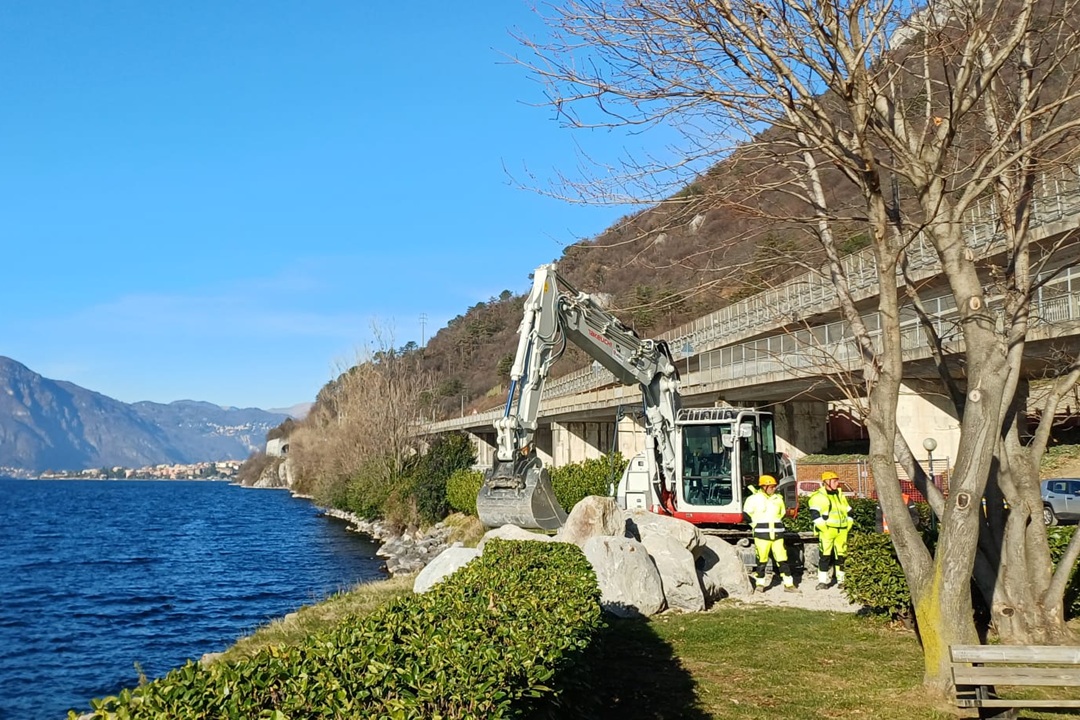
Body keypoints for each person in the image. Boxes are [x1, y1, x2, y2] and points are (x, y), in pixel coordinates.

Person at [742, 474, 797, 593]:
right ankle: (760, 585)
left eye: (774, 486)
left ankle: (789, 585)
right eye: (771, 487)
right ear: (763, 487)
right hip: (761, 534)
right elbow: (746, 514)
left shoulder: (778, 498)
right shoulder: (753, 499)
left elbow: (781, 513)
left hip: (777, 535)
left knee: (782, 559)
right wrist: (754, 525)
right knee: (762, 560)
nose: (774, 489)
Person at [809, 471, 855, 589]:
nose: (837, 483)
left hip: (842, 530)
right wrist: (824, 528)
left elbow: (849, 511)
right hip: (827, 531)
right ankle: (823, 582)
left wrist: (849, 523)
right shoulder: (818, 496)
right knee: (825, 556)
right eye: (834, 481)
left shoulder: (840, 495)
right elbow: (815, 515)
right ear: (826, 483)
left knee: (841, 556)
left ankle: (841, 581)